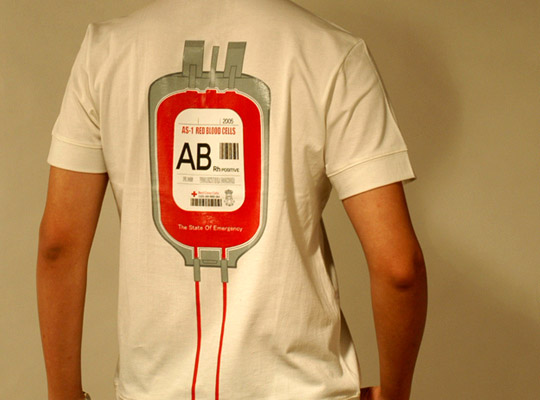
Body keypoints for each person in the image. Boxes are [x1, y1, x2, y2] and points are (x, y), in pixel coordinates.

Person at [37, 0, 427, 399]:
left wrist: (63, 395)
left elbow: (59, 245)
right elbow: (399, 268)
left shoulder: (106, 51)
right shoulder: (332, 54)